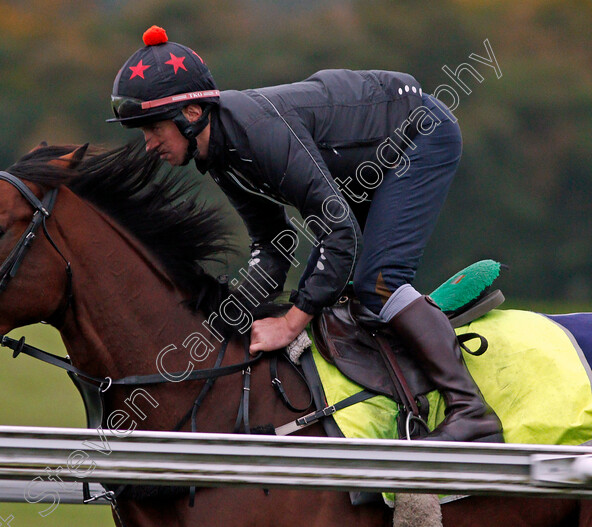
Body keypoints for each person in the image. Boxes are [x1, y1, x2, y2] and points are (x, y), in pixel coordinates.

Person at [108, 25, 502, 442]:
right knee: (339, 290)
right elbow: (273, 247)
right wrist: (227, 317)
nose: (149, 144)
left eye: (153, 129)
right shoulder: (219, 154)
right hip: (367, 160)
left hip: (419, 136)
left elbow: (339, 233)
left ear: (190, 115)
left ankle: (471, 410)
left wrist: (291, 323)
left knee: (378, 286)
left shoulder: (257, 133)